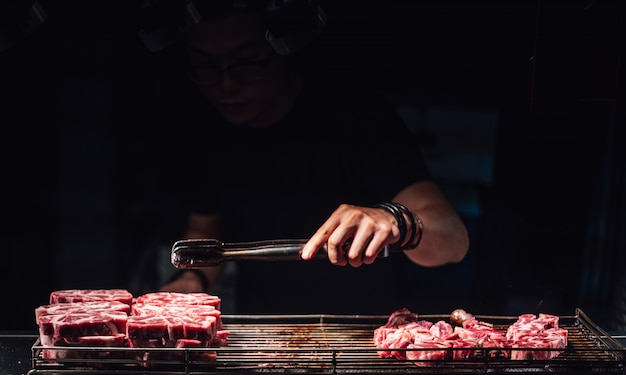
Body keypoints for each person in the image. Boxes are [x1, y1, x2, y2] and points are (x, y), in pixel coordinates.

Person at [156, 0, 470, 315]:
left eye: (246, 62)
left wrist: (395, 219)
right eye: (206, 66)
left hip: (360, 335)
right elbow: (205, 229)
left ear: (279, 50)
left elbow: (454, 240)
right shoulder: (207, 130)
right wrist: (192, 279)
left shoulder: (357, 117)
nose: (226, 85)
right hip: (262, 336)